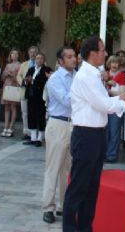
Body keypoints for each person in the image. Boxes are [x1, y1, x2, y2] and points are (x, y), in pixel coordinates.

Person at [62, 35, 125, 232]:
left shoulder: (94, 74)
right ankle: (71, 228)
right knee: (79, 186)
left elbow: (104, 100)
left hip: (96, 135)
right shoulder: (86, 76)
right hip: (85, 135)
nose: (106, 53)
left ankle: (85, 227)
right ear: (93, 54)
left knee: (91, 187)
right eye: (103, 50)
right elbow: (104, 105)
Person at [42, 46, 76, 225]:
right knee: (53, 167)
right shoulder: (55, 79)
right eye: (69, 57)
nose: (73, 59)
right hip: (58, 123)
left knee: (68, 169)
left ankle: (64, 205)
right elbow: (67, 100)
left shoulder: (78, 76)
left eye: (74, 56)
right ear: (61, 61)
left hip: (74, 124)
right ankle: (48, 207)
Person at [23, 52, 50, 147]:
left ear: (44, 60)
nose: (39, 60)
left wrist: (33, 81)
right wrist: (26, 81)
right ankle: (33, 137)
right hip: (31, 96)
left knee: (40, 117)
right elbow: (25, 80)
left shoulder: (47, 70)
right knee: (31, 116)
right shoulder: (31, 69)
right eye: (37, 58)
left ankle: (40, 138)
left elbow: (46, 82)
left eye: (41, 58)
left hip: (40, 97)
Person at [104, 54, 125, 163]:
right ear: (109, 63)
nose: (114, 64)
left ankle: (112, 155)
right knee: (105, 131)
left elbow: (122, 93)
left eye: (116, 62)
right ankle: (104, 153)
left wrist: (110, 92)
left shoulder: (122, 75)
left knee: (114, 131)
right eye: (112, 62)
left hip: (116, 107)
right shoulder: (105, 74)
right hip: (104, 106)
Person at [17, 45, 38, 140]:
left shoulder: (41, 63)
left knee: (34, 112)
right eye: (31, 52)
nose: (32, 54)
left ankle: (34, 132)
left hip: (35, 92)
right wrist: (23, 81)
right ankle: (26, 132)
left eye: (34, 52)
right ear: (28, 53)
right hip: (25, 91)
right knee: (24, 112)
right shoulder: (24, 64)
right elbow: (18, 76)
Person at [0, 49, 21, 137]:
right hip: (7, 86)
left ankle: (11, 127)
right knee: (6, 107)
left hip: (14, 86)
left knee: (13, 107)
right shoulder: (8, 65)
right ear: (10, 55)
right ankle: (5, 126)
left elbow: (20, 79)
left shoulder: (20, 65)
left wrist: (13, 76)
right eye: (12, 54)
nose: (14, 56)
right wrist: (5, 74)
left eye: (16, 54)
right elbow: (2, 78)